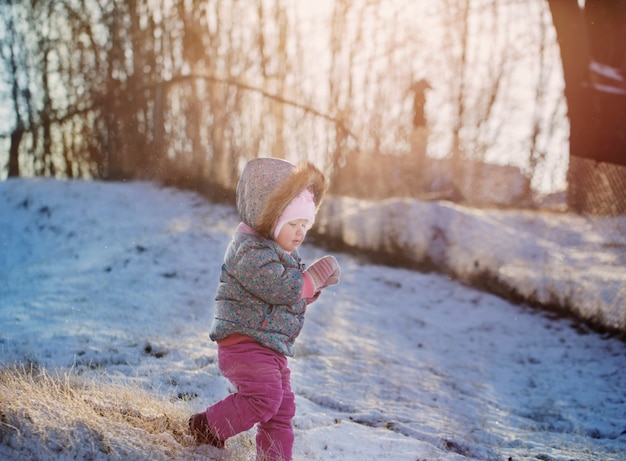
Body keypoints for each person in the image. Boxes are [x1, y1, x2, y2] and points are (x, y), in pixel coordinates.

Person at [189, 157, 341, 461]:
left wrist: (313, 287)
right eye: (293, 224)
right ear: (270, 218)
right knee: (264, 398)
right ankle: (207, 427)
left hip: (268, 346)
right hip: (244, 344)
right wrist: (309, 279)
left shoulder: (278, 250)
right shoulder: (250, 250)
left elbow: (285, 296)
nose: (300, 233)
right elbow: (281, 287)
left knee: (281, 409)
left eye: (304, 226)